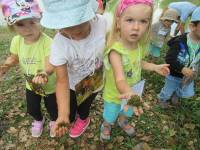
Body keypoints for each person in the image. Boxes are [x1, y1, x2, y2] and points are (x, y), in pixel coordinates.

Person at [100, 0, 170, 141]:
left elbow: (139, 63)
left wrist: (155, 67)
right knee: (111, 114)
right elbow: (119, 79)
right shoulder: (116, 51)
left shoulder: (137, 46)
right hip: (116, 95)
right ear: (118, 22)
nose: (136, 27)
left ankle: (123, 120)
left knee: (128, 110)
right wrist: (129, 94)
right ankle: (107, 125)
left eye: (143, 21)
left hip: (133, 92)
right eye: (130, 20)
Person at [40, 0, 108, 138]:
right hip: (72, 83)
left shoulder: (103, 23)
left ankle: (83, 118)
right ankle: (72, 115)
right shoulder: (59, 44)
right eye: (67, 27)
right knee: (70, 105)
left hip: (95, 80)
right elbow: (62, 81)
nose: (76, 32)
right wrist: (63, 114)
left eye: (81, 25)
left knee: (85, 105)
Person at [0, 0, 58, 138]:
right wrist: (6, 66)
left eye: (32, 22)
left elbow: (49, 63)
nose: (28, 28)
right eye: (20, 24)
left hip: (49, 85)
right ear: (12, 26)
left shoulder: (47, 42)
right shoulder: (16, 41)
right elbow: (14, 57)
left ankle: (54, 120)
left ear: (40, 20)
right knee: (32, 108)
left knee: (53, 108)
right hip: (31, 85)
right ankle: (38, 120)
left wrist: (44, 73)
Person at [158, 6, 200, 109]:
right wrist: (182, 68)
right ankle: (162, 98)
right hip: (173, 74)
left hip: (187, 76)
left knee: (182, 88)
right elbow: (169, 59)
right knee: (168, 90)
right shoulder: (180, 41)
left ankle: (175, 96)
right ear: (192, 26)